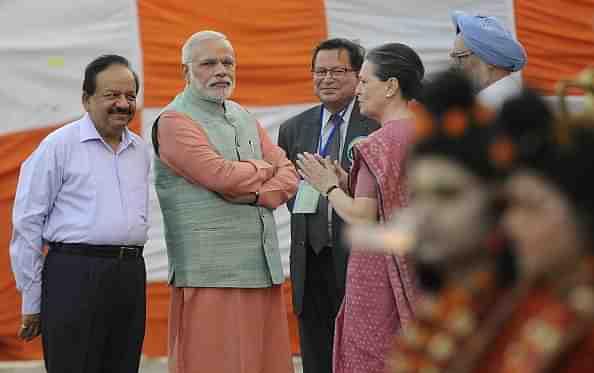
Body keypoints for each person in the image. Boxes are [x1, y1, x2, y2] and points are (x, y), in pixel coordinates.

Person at [151, 31, 298, 373]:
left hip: (261, 269)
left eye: (227, 62)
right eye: (209, 63)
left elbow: (289, 175)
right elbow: (221, 177)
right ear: (185, 71)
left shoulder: (242, 115)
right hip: (211, 274)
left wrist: (255, 191)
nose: (221, 70)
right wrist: (264, 168)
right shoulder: (174, 121)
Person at [9, 54, 150, 373]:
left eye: (130, 96)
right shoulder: (58, 146)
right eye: (111, 95)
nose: (123, 104)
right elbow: (27, 224)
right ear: (86, 99)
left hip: (129, 275)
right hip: (74, 275)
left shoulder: (140, 150)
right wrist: (32, 301)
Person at [376, 71, 518, 373]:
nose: (426, 213)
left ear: (499, 203)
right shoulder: (436, 315)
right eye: (418, 196)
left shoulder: (527, 322)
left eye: (447, 194)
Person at [297, 42, 424, 373]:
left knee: (372, 356)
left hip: (377, 270)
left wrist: (326, 185)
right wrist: (346, 183)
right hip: (416, 266)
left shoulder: (378, 143)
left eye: (365, 82)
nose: (358, 91)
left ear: (391, 86)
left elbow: (363, 216)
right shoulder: (423, 132)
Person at [467, 90, 594, 372]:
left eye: (531, 207)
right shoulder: (519, 301)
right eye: (509, 206)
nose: (510, 224)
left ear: (583, 215)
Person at [277, 37, 380, 373]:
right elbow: (288, 186)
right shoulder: (294, 128)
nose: (327, 79)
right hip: (310, 257)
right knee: (316, 354)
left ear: (358, 74)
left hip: (360, 255)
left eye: (338, 70)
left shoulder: (375, 124)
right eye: (319, 72)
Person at [450, 11, 527, 109]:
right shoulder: (512, 91)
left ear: (491, 61)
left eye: (460, 57)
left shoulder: (487, 103)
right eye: (454, 58)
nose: (455, 66)